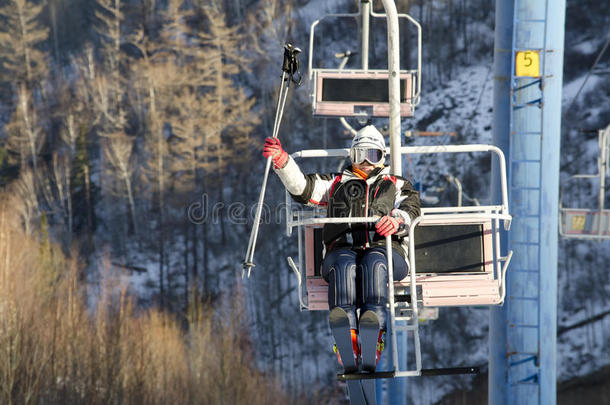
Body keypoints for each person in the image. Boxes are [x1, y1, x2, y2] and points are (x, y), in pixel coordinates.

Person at [263, 125, 420, 367]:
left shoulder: (395, 184)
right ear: (352, 157)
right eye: (360, 155)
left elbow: (411, 207)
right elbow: (302, 188)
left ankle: (374, 335)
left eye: (373, 155)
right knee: (344, 266)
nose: (366, 162)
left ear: (383, 157)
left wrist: (397, 221)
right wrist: (284, 163)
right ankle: (347, 337)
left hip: (387, 252)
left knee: (374, 263)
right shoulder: (335, 183)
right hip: (342, 250)